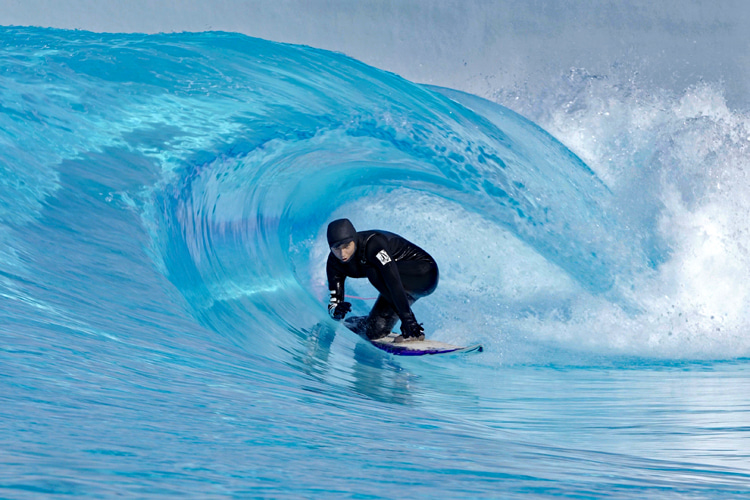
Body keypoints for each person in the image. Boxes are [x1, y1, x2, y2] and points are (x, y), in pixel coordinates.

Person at [325, 218, 439, 342]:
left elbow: (392, 279)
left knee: (373, 271)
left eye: (347, 246)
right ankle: (368, 321)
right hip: (396, 287)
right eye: (336, 249)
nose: (342, 254)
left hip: (424, 274)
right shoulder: (334, 264)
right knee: (374, 331)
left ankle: (413, 329)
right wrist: (336, 311)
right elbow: (333, 303)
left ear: (354, 239)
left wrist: (407, 319)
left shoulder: (374, 244)